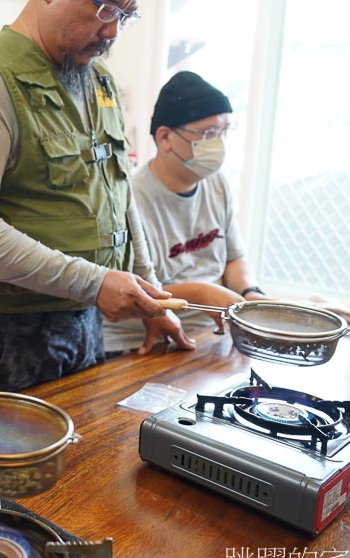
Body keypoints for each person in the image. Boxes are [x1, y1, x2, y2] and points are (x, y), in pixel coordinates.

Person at [0, 0, 194, 393]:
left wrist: (151, 294)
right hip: (11, 327)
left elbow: (119, 190)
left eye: (127, 16)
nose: (112, 32)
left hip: (85, 312)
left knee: (81, 454)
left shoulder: (99, 81)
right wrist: (95, 283)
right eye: (105, 7)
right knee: (15, 460)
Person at [103, 71, 266, 354]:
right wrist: (203, 292)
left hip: (210, 336)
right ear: (165, 137)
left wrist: (250, 293)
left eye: (225, 131)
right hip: (148, 344)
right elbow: (130, 293)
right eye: (209, 134)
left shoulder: (216, 184)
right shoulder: (129, 200)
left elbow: (234, 259)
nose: (219, 144)